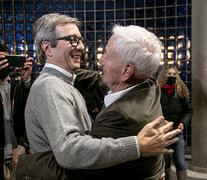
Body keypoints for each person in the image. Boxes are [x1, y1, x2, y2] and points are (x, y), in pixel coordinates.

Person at [24, 13, 181, 177]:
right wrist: (137, 146)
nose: (81, 47)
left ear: (127, 71)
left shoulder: (64, 81)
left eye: (80, 40)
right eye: (72, 40)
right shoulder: (50, 86)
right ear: (47, 47)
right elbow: (69, 151)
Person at [0, 44, 33, 180]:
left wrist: (26, 79)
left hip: (17, 156)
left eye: (5, 60)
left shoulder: (18, 86)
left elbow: (31, 112)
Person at [157, 64, 193, 180]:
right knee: (165, 164)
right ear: (164, 75)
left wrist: (183, 122)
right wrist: (162, 120)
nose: (172, 76)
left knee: (181, 164)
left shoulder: (181, 90)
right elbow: (153, 110)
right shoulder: (157, 91)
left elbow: (189, 111)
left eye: (174, 74)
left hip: (177, 132)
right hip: (163, 133)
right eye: (169, 74)